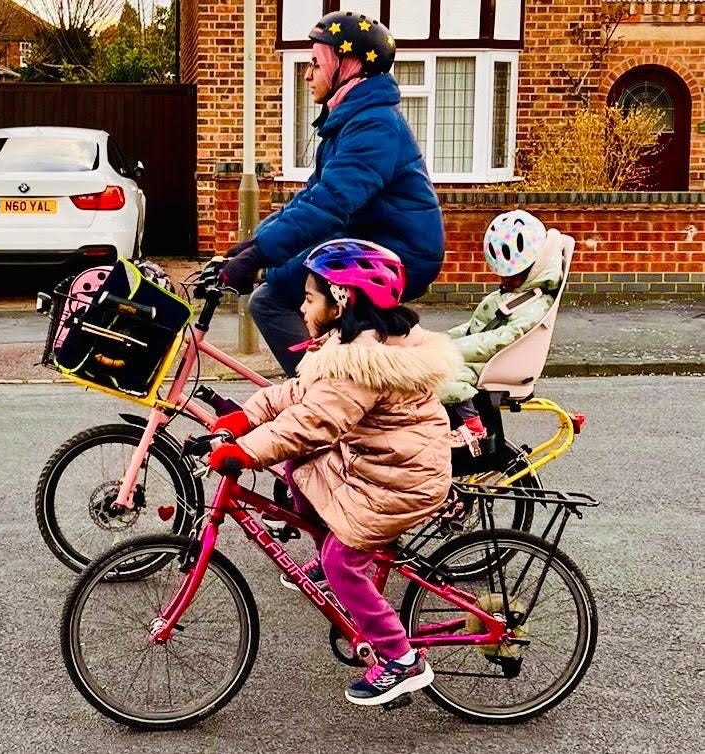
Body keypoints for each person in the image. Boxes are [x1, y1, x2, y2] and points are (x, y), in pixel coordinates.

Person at [205, 239, 461, 706]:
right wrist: (244, 418)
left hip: (401, 479)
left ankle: (401, 660)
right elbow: (298, 394)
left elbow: (314, 421)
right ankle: (328, 560)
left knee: (345, 561)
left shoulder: (361, 364)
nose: (302, 306)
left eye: (309, 297)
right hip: (377, 464)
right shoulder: (349, 344)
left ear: (341, 299)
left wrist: (244, 453)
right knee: (299, 465)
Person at [219, 10, 445, 376]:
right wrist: (254, 246)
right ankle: (339, 385)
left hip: (399, 254)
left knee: (271, 298)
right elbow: (311, 196)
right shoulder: (349, 120)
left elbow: (330, 205)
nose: (308, 74)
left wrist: (262, 256)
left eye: (315, 63)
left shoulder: (373, 125)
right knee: (282, 288)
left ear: (347, 65)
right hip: (367, 242)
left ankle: (321, 390)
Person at [438, 210, 564, 449]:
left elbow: (502, 338)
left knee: (436, 375)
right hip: (486, 357)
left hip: (491, 362)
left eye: (512, 276)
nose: (504, 282)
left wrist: (449, 348)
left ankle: (473, 425)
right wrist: (438, 341)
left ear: (534, 268)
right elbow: (475, 329)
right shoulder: (520, 295)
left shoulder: (532, 305)